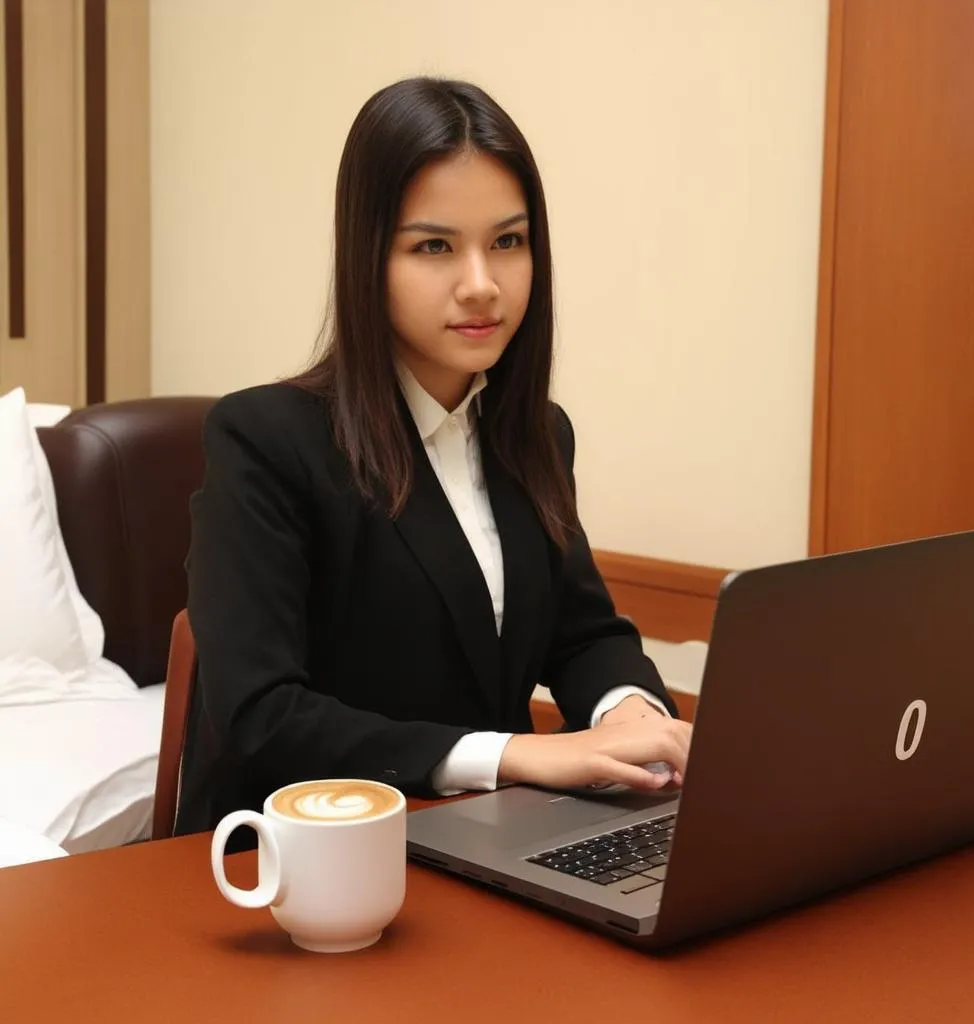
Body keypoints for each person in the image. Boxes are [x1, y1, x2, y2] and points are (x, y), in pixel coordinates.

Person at [175, 77, 692, 843]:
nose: (481, 285)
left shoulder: (536, 434)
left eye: (508, 242)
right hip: (301, 864)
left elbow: (583, 634)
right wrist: (517, 755)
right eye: (434, 246)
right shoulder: (265, 439)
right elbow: (263, 715)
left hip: (492, 843)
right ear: (368, 257)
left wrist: (629, 714)